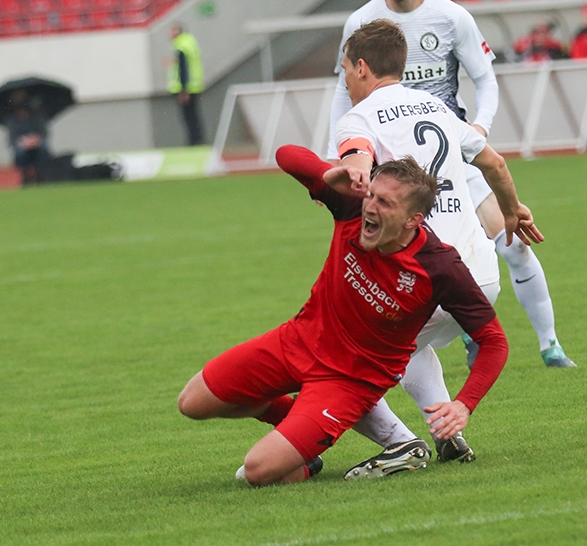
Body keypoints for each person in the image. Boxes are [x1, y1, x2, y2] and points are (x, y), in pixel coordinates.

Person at [178, 145, 530, 486]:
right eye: (371, 195)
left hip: (349, 381)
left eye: (385, 203)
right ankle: (297, 427)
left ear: (413, 220)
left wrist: (464, 404)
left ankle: (304, 455)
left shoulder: (440, 267)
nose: (370, 207)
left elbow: (493, 341)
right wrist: (329, 174)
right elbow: (286, 154)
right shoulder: (351, 205)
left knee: (257, 471)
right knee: (192, 403)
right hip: (298, 339)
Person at [326, 0, 575, 373]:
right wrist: (339, 151)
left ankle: (550, 344)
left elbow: (485, 79)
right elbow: (343, 94)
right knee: (412, 260)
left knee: (511, 241)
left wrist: (479, 127)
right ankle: (456, 330)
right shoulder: (361, 22)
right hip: (395, 165)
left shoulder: (450, 16)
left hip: (451, 152)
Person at [329, 17, 542, 468]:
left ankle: (400, 443)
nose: (345, 80)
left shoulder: (357, 118)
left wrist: (349, 171)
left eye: (345, 69)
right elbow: (495, 163)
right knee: (412, 348)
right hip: (479, 273)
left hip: (421, 276)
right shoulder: (437, 107)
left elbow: (357, 156)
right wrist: (510, 210)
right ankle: (448, 435)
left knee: (333, 359)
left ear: (362, 67)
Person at [167, 23, 205, 146]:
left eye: (172, 31)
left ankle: (194, 141)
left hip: (187, 87)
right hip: (194, 85)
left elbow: (183, 69)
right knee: (194, 115)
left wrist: (183, 89)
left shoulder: (182, 46)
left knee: (188, 116)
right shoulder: (190, 43)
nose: (170, 34)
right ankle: (198, 139)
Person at [3, 89, 49, 185]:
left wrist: (34, 140)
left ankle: (41, 175)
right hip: (22, 145)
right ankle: (25, 175)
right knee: (20, 154)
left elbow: (43, 133)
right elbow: (12, 138)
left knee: (43, 150)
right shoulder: (12, 120)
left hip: (37, 144)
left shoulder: (36, 117)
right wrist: (23, 142)